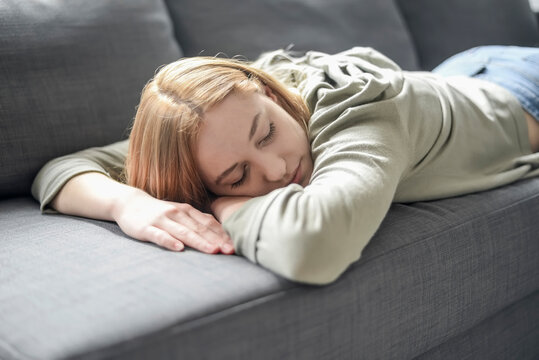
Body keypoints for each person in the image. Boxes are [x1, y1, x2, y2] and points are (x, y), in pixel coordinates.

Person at [32, 45, 539, 284]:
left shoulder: (357, 103)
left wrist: (221, 199)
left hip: (521, 86)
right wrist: (129, 203)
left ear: (272, 92)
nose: (274, 171)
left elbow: (314, 245)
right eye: (237, 175)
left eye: (268, 132)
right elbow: (65, 169)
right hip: (456, 76)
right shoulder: (218, 128)